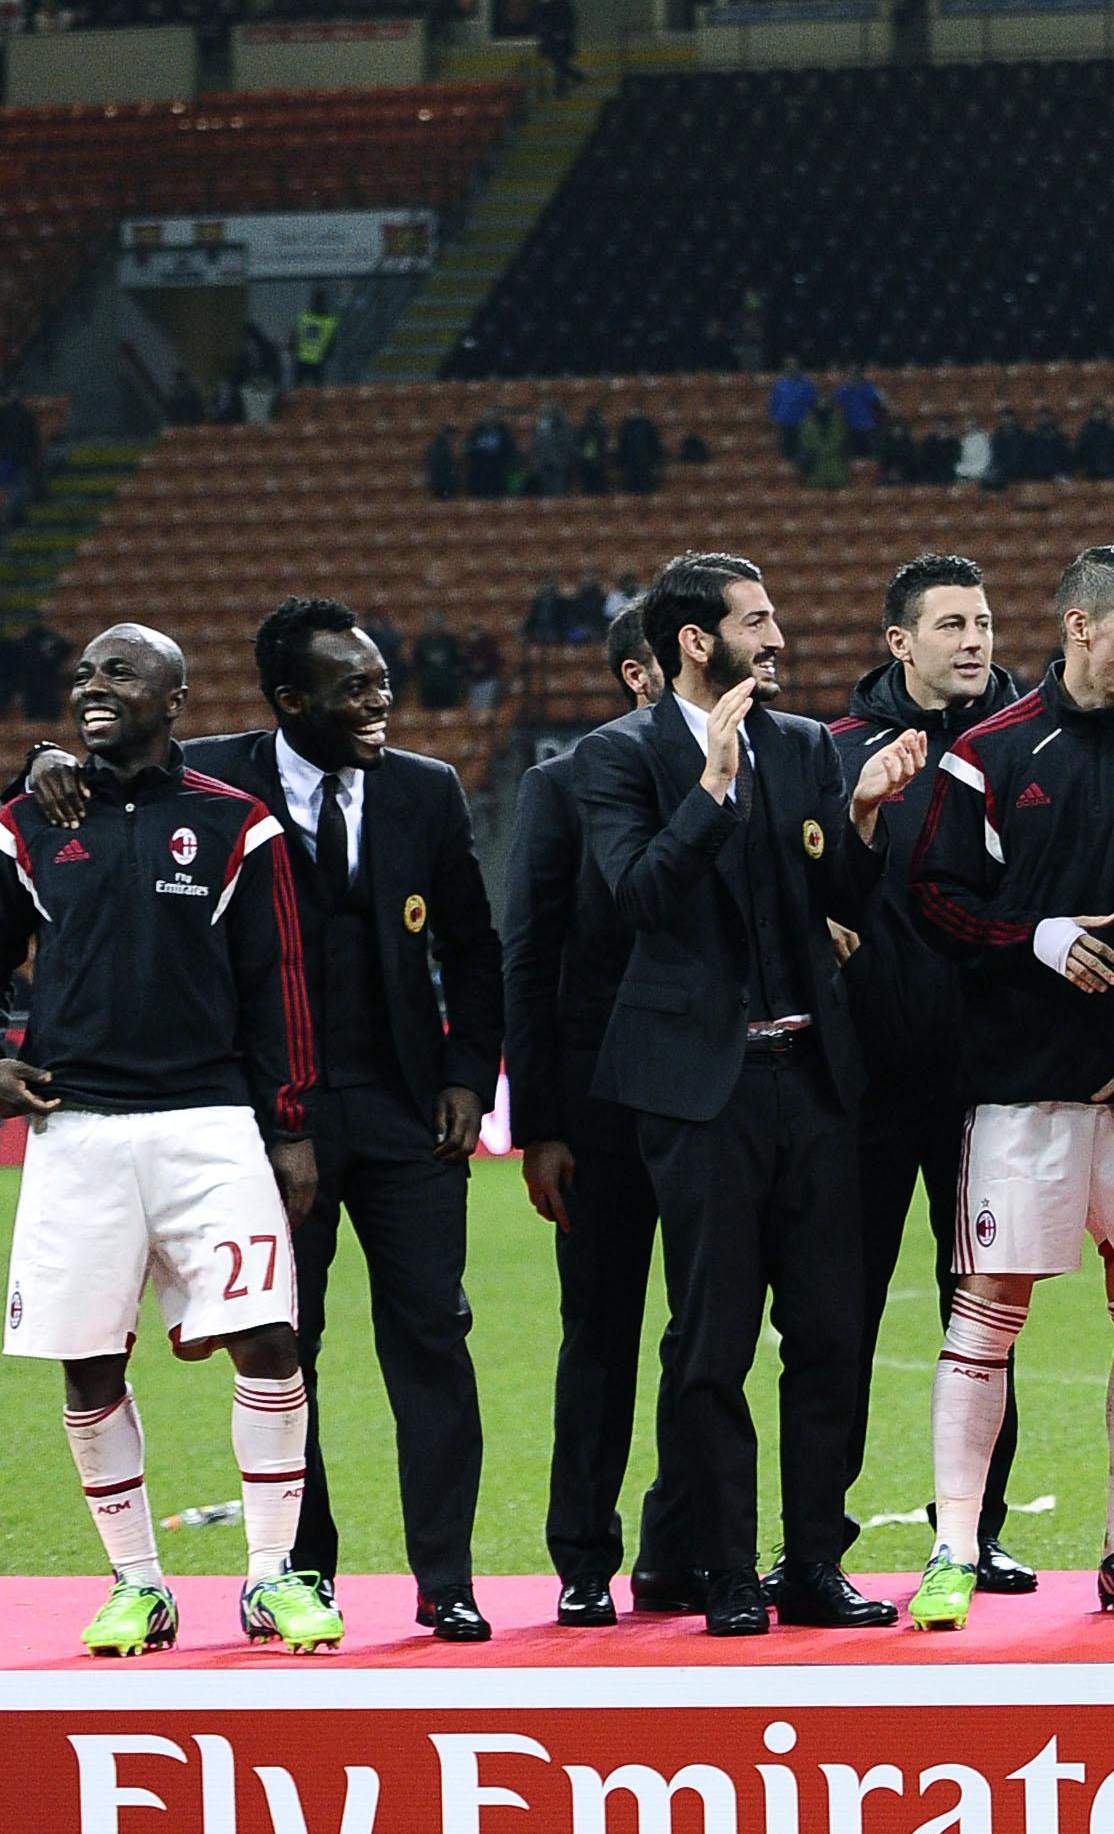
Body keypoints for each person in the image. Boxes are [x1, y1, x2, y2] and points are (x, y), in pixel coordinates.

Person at [111, 604, 500, 1637]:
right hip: (270, 1121)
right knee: (289, 1348)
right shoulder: (212, 779)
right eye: (354, 689)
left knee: (433, 1339)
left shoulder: (425, 788)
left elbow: (473, 945)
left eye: (381, 682)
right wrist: (53, 761)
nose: (380, 702)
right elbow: (95, 786)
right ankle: (305, 1572)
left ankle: (447, 1581)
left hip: (410, 1116)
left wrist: (469, 1072)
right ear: (290, 702)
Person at [582, 553, 924, 1636]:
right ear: (696, 640)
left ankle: (813, 1563)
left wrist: (863, 821)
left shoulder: (806, 746)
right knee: (714, 1339)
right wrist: (712, 790)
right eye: (757, 621)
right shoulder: (618, 758)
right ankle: (724, 1571)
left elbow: (839, 905)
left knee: (828, 1332)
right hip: (701, 1097)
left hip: (814, 1081)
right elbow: (638, 897)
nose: (778, 639)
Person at [0, 627, 332, 1659]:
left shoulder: (236, 824)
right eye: (87, 675)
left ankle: (273, 1577)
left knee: (269, 1341)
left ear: (175, 698)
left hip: (209, 1124)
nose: (93, 687)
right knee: (88, 1359)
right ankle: (137, 1584)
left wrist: (293, 1125)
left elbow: (279, 982)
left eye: (120, 673)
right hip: (76, 1130)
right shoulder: (26, 820)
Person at [902, 546, 1114, 1631]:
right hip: (1019, 1089)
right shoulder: (989, 754)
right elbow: (931, 898)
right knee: (987, 1315)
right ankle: (952, 1547)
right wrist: (1031, 936)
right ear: (1079, 626)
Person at [826, 555, 1029, 1593]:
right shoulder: (834, 755)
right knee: (838, 1316)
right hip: (857, 1086)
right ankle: (822, 1537)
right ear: (900, 641)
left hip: (984, 1084)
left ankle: (979, 1530)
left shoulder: (1023, 747)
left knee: (986, 1309)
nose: (974, 640)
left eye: (985, 621)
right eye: (951, 623)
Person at [511, 613, 692, 1624]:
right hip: (598, 1110)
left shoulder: (751, 770)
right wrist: (540, 1122)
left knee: (704, 1339)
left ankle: (678, 1547)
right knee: (601, 1335)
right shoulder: (560, 784)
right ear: (640, 673)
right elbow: (528, 961)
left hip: (713, 1104)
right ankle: (582, 1555)